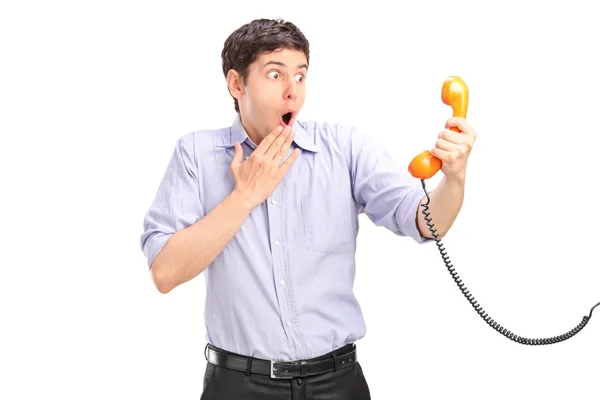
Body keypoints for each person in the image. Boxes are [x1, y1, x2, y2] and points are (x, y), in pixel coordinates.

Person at [139, 17, 477, 400]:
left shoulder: (345, 148)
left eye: (300, 76)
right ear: (236, 84)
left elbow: (426, 221)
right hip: (237, 386)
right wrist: (244, 197)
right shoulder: (195, 156)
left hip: (337, 383)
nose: (292, 93)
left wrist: (455, 177)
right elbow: (164, 273)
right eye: (274, 75)